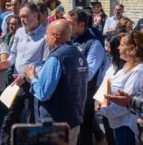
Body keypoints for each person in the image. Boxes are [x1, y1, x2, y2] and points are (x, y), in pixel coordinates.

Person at [24, 19, 88, 145]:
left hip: (55, 125)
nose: (45, 39)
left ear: (55, 36)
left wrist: (32, 77)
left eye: (46, 35)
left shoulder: (56, 58)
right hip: (74, 121)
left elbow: (43, 93)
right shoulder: (79, 54)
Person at [0, 2, 49, 145]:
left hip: (32, 85)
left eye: (25, 16)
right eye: (20, 16)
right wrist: (7, 62)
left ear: (36, 15)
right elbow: (14, 52)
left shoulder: (46, 36)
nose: (22, 19)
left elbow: (44, 65)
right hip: (16, 83)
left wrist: (26, 75)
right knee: (8, 120)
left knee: (31, 122)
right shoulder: (19, 32)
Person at [67, 9, 105, 145]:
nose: (67, 26)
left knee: (83, 137)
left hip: (83, 99)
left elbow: (87, 74)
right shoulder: (68, 40)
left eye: (70, 23)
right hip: (68, 97)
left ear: (82, 25)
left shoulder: (94, 44)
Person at [99, 31, 143, 145]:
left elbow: (125, 104)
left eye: (122, 45)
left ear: (132, 49)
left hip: (127, 125)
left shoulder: (138, 70)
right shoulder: (127, 66)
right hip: (118, 122)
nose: (118, 47)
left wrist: (103, 110)